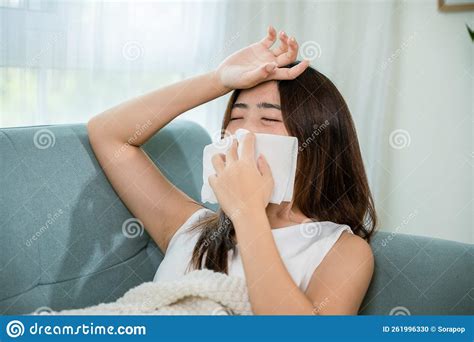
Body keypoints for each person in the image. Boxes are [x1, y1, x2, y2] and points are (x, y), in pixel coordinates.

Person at [87, 25, 377, 315]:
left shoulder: (341, 251)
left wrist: (248, 213)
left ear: (316, 141)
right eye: (236, 117)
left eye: (267, 118)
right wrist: (219, 79)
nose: (244, 132)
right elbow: (107, 133)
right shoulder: (190, 228)